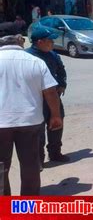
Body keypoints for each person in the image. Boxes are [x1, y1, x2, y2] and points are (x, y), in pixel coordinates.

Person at [0, 34, 62, 195]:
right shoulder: (35, 61)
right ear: (20, 42)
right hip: (30, 122)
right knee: (30, 166)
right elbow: (50, 91)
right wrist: (56, 115)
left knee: (0, 166)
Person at [26, 27, 69, 164]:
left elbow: (61, 70)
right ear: (39, 42)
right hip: (36, 99)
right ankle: (38, 159)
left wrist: (62, 84)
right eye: (49, 40)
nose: (52, 43)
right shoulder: (27, 57)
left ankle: (55, 153)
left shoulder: (53, 55)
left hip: (53, 97)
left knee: (57, 124)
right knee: (38, 130)